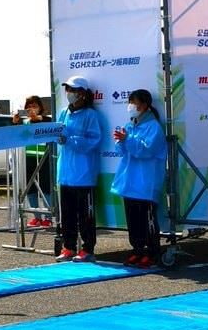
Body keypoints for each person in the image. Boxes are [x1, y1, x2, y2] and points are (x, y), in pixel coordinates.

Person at [112, 88, 167, 269]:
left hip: (146, 181)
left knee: (148, 218)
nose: (131, 106)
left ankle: (152, 253)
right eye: (130, 102)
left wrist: (127, 140)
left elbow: (146, 151)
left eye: (134, 102)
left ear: (144, 105)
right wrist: (120, 141)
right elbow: (122, 151)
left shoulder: (154, 127)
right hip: (129, 181)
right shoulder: (130, 125)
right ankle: (137, 250)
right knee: (133, 219)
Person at [54, 76, 104, 263]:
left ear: (82, 93)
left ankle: (87, 249)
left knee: (85, 215)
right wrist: (57, 138)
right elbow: (56, 134)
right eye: (67, 89)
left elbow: (94, 141)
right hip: (65, 173)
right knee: (66, 214)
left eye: (73, 90)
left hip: (84, 174)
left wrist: (71, 139)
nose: (69, 93)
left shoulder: (91, 115)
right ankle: (68, 247)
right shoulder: (62, 112)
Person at [14, 95, 54, 228]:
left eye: (34, 106)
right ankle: (37, 217)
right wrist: (15, 122)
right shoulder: (25, 122)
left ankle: (48, 218)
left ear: (40, 108)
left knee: (46, 187)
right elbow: (14, 133)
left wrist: (38, 118)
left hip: (44, 157)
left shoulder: (46, 120)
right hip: (29, 158)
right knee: (30, 188)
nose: (31, 109)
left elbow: (50, 120)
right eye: (29, 107)